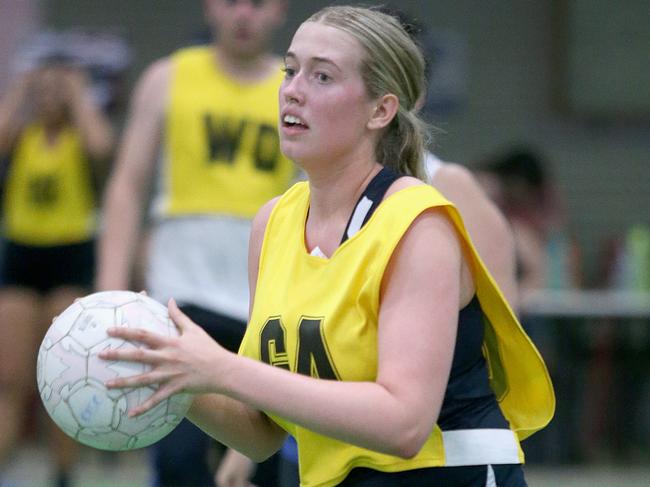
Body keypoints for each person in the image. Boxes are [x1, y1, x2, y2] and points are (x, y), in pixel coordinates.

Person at [100, 5, 554, 486]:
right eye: (291, 70)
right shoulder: (274, 223)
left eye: (322, 77)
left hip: (443, 474)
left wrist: (222, 369)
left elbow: (403, 422)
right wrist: (178, 374)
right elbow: (261, 432)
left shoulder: (417, 223)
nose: (293, 90)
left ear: (381, 110)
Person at [95, 1, 294, 486]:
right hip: (180, 302)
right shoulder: (168, 77)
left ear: (279, 11)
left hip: (263, 305)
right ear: (209, 7)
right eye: (231, 2)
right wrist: (108, 293)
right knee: (178, 461)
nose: (244, 14)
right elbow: (126, 186)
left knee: (260, 463)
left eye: (258, 3)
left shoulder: (297, 88)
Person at [0, 61, 114, 487]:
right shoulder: (22, 137)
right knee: (9, 378)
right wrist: (21, 87)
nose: (49, 96)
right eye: (41, 90)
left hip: (70, 254)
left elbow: (103, 146)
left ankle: (63, 474)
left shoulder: (78, 138)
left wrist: (77, 91)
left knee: (64, 377)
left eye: (56, 89)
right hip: (21, 254)